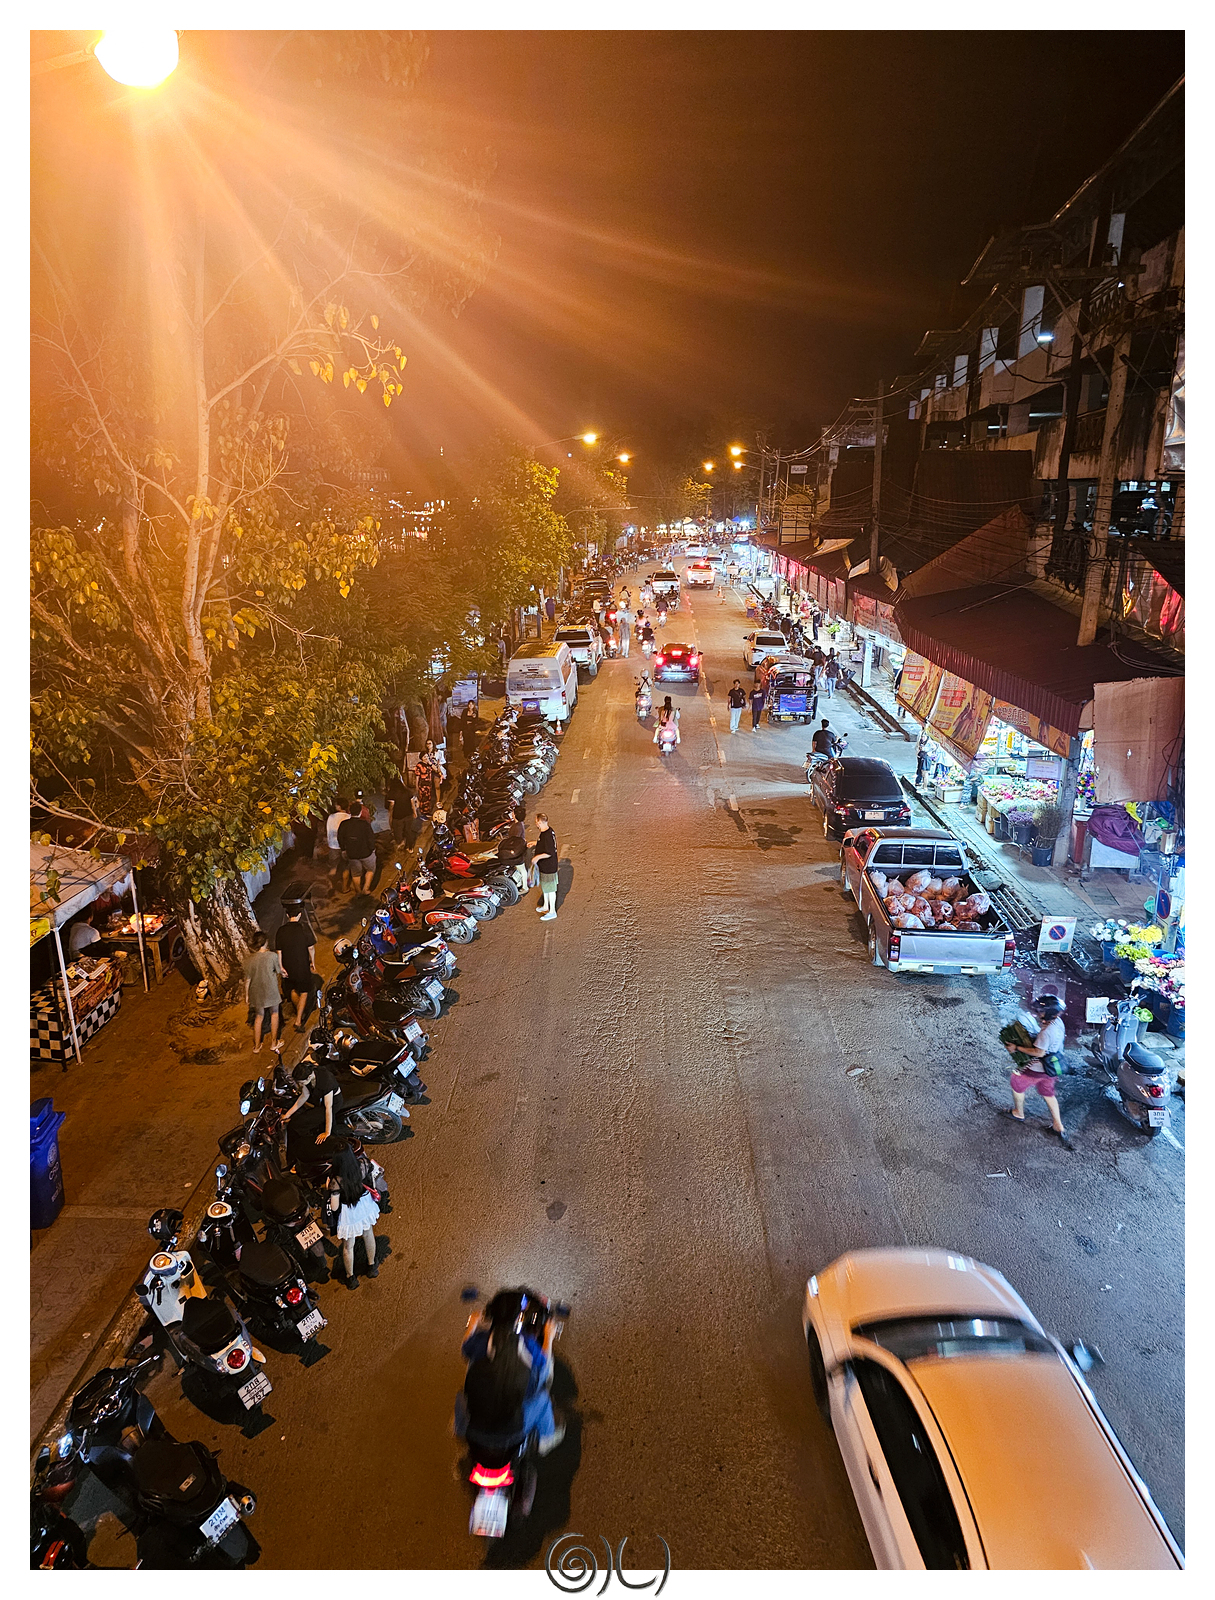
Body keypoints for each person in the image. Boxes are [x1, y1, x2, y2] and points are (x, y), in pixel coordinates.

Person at [460, 1292, 564, 1454]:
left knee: (462, 1396)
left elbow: (465, 1349)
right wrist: (548, 1338)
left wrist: (472, 1325)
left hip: (474, 1429)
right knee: (542, 1398)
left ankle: (457, 1427)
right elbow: (544, 1365)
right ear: (518, 1319)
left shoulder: (480, 1340)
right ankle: (546, 1440)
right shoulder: (526, 1343)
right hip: (514, 1430)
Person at [1003, 996, 1070, 1145]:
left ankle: (1018, 1113)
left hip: (1039, 1068)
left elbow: (1038, 1052)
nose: (1039, 1013)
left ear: (1048, 1013)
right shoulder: (1058, 1022)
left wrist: (1017, 1047)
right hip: (1052, 1067)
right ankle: (1058, 1125)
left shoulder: (1046, 1033)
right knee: (1048, 1093)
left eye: (1041, 1011)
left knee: (1016, 1081)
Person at [324, 1138, 383, 1289]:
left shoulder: (336, 1181)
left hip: (348, 1213)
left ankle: (351, 1278)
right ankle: (372, 1267)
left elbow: (334, 1207)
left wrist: (328, 1189)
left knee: (348, 1246)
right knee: (368, 1234)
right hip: (364, 1205)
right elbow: (371, 1182)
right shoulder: (363, 1164)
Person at [283, 1055, 343, 1149]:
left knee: (298, 1125)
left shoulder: (326, 1080)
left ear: (309, 1076)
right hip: (319, 1100)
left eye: (301, 1083)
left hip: (332, 1103)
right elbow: (304, 1096)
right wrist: (287, 1114)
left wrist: (327, 1132)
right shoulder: (309, 1075)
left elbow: (328, 1108)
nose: (300, 1085)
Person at [274, 904, 317, 1033]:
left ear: (287, 915)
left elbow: (279, 951)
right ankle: (298, 1020)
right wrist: (313, 961)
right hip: (301, 965)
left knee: (293, 989)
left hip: (288, 965)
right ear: (300, 915)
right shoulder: (304, 928)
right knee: (304, 991)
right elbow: (311, 948)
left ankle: (299, 1009)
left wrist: (281, 967)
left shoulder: (281, 931)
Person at [242, 932, 284, 1055]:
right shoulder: (272, 956)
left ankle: (256, 1046)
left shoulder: (249, 960)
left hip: (256, 991)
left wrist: (247, 995)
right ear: (266, 942)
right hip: (270, 989)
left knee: (259, 1016)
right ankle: (274, 1043)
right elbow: (278, 970)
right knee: (274, 1013)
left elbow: (247, 980)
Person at [337, 805, 378, 895]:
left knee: (356, 873)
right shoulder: (364, 824)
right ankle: (365, 889)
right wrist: (372, 849)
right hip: (366, 853)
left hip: (352, 853)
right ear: (360, 812)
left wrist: (343, 849)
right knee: (370, 870)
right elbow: (370, 838)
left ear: (350, 812)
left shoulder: (344, 824)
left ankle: (358, 891)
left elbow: (340, 838)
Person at [530, 812, 559, 921]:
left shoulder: (547, 835)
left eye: (536, 822)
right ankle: (546, 906)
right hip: (545, 867)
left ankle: (552, 912)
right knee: (545, 888)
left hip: (549, 867)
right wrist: (535, 843)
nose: (536, 824)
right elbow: (545, 845)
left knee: (550, 890)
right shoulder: (547, 831)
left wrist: (537, 857)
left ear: (539, 822)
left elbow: (549, 852)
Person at [385, 765, 419, 849]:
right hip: (408, 814)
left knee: (398, 831)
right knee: (408, 831)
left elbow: (391, 807)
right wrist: (414, 812)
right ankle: (410, 847)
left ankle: (400, 843)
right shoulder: (407, 791)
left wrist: (390, 817)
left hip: (398, 817)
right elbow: (412, 803)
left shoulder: (392, 794)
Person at [414, 741, 444, 818]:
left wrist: (430, 763)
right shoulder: (419, 765)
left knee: (428, 799)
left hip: (428, 785)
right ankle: (422, 814)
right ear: (421, 758)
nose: (426, 758)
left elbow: (436, 770)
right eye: (424, 757)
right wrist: (417, 787)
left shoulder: (429, 765)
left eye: (427, 756)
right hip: (422, 785)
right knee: (423, 800)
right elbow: (417, 777)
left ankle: (427, 812)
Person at [325, 797, 351, 884]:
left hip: (333, 845)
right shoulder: (348, 817)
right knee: (346, 867)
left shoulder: (331, 817)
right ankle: (345, 886)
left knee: (333, 868)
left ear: (339, 806)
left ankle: (332, 884)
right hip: (345, 846)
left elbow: (328, 830)